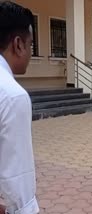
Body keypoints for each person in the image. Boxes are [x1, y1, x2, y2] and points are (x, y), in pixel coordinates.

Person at [0, 1, 39, 214]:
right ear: (18, 44)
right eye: (31, 44)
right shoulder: (12, 96)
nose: (31, 52)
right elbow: (17, 184)